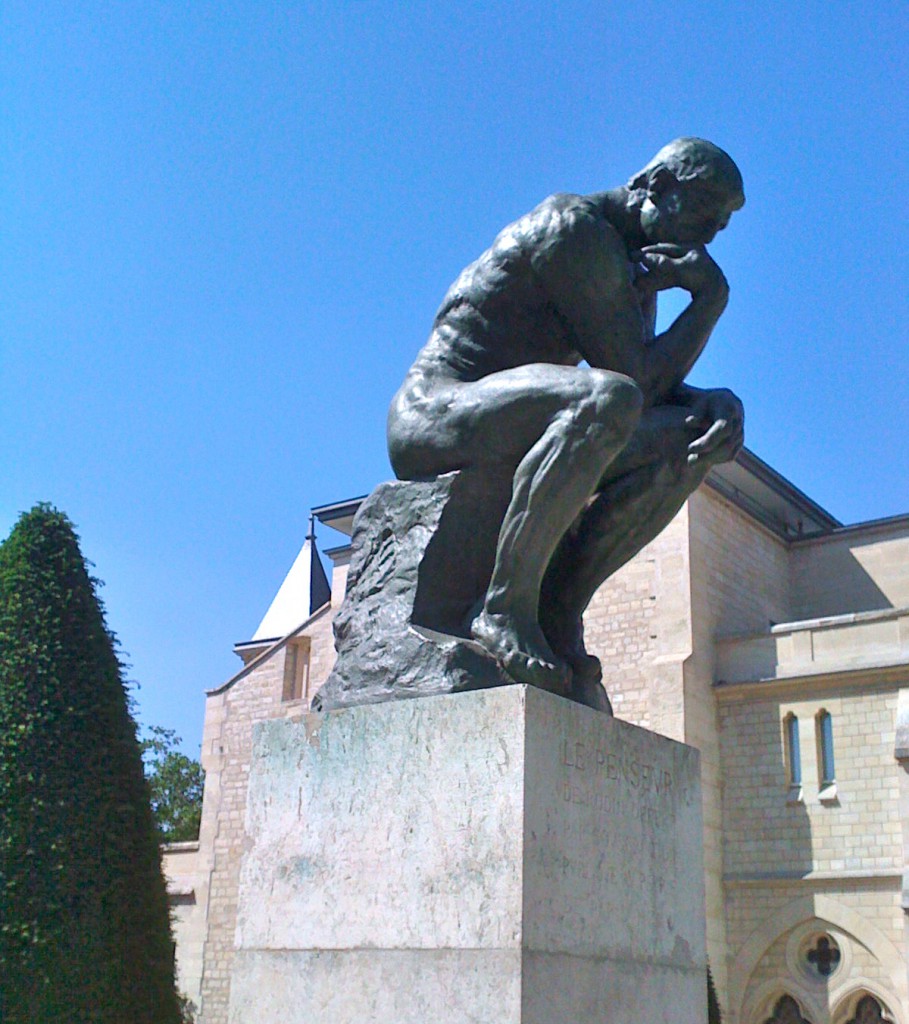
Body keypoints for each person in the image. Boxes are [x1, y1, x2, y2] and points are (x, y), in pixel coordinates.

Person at [387, 138, 745, 711]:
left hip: (525, 415)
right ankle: (505, 609)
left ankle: (556, 614)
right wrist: (709, 301)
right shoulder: (574, 229)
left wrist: (709, 401)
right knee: (607, 400)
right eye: (703, 213)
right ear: (655, 187)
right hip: (436, 413)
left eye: (721, 227)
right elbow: (629, 381)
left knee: (692, 439)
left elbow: (642, 376)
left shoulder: (635, 267)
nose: (709, 236)